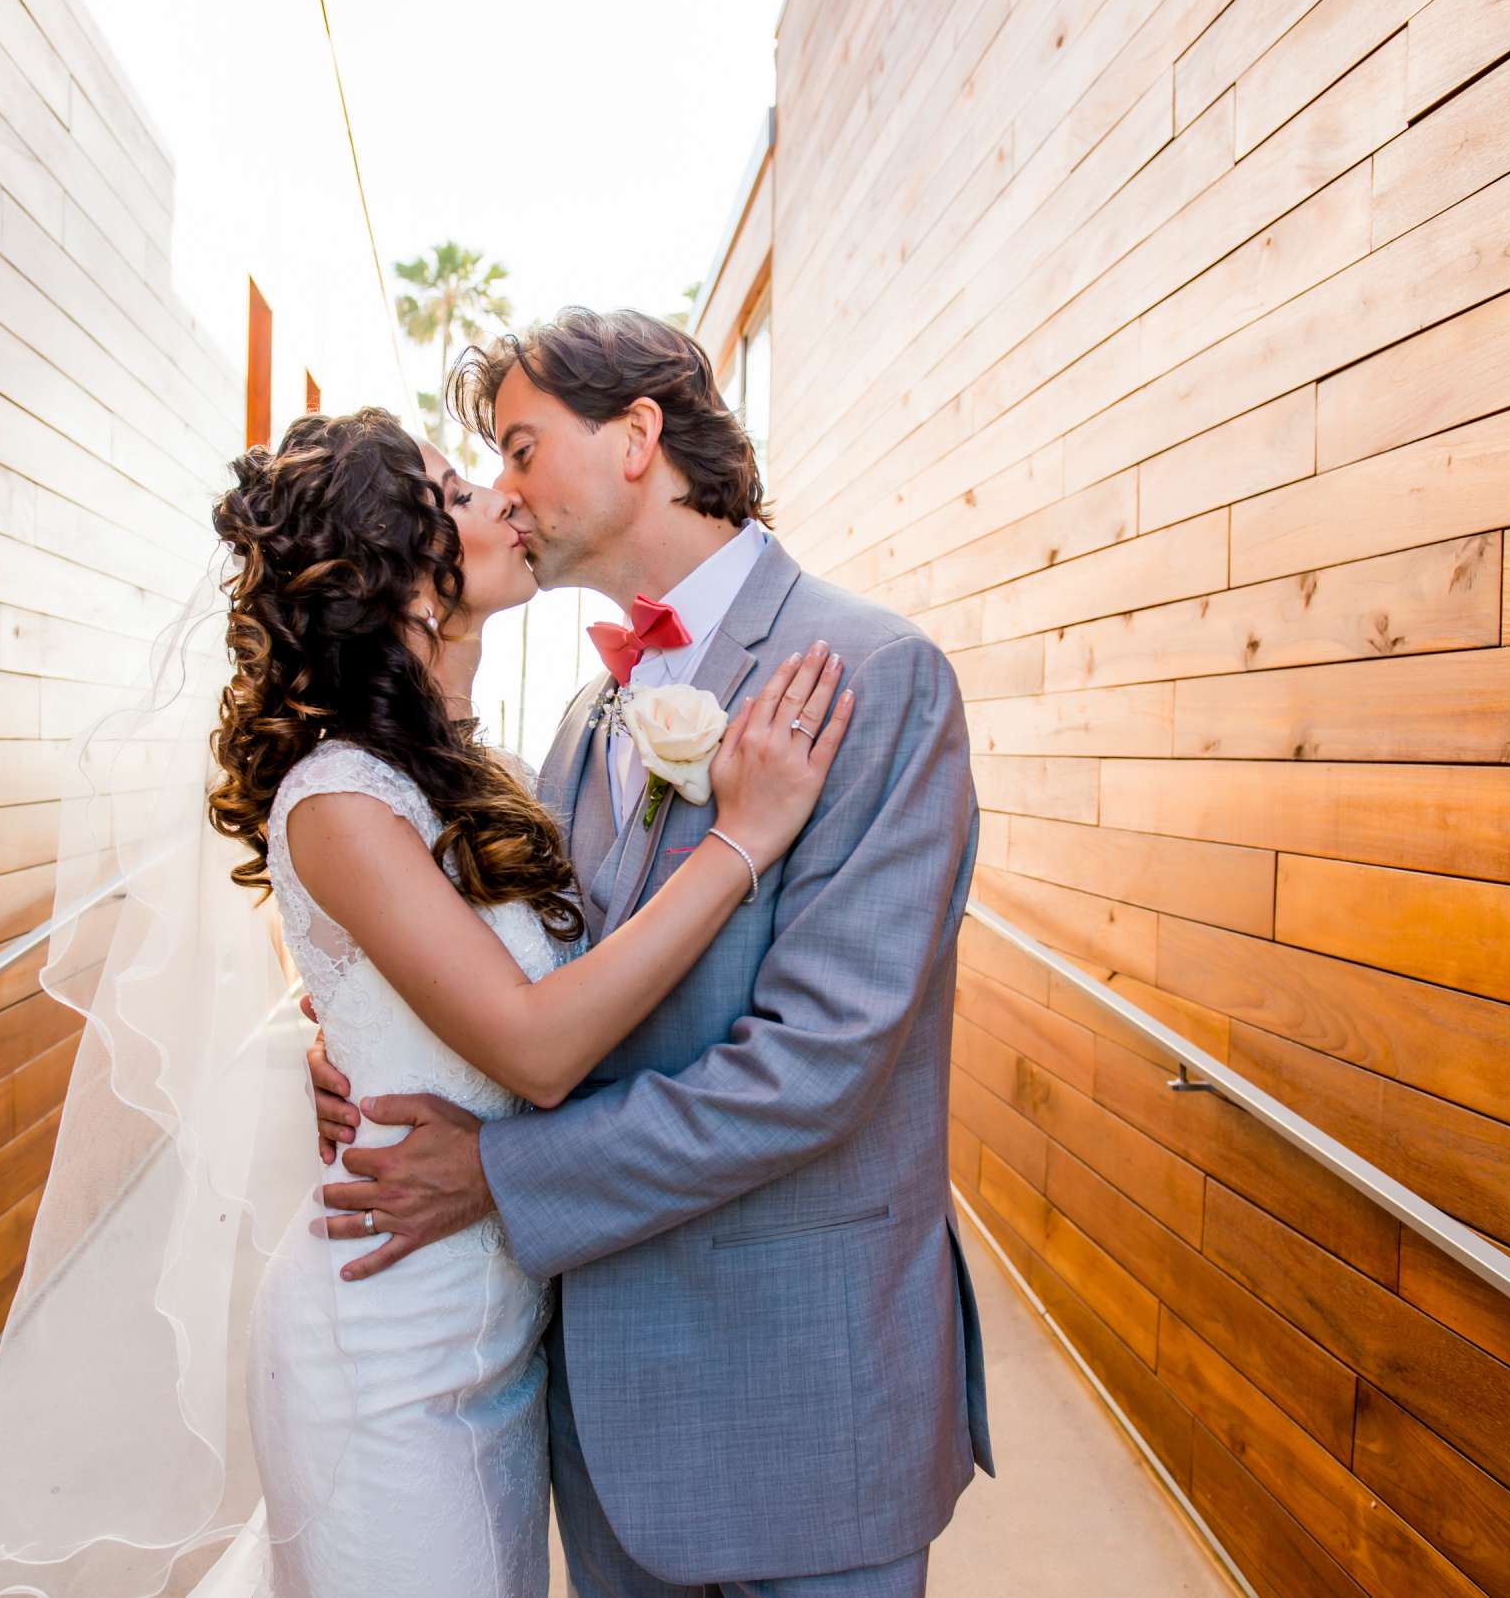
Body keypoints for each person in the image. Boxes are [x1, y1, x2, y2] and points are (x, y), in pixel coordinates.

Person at [0, 403, 851, 1598]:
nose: (506, 501)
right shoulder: (339, 801)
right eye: (464, 494)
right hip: (383, 1357)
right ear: (409, 585)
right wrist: (741, 840)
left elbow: (465, 1001)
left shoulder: (500, 778)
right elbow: (535, 1047)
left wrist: (356, 1062)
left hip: (500, 1348)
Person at [307, 308, 994, 1596]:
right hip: (602, 1416)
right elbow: (534, 979)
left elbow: (815, 1067)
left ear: (638, 437)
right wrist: (372, 1050)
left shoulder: (877, 673)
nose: (501, 494)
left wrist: (500, 1173)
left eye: (519, 447)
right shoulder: (584, 720)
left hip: (806, 1401)